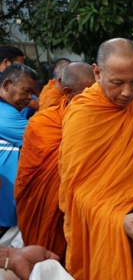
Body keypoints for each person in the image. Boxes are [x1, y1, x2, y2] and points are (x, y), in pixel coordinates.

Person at [58, 39, 133, 279]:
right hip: (106, 226)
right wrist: (117, 220)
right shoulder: (82, 115)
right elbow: (76, 190)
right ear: (97, 73)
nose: (127, 92)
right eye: (117, 83)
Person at [15, 62, 95, 261]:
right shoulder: (41, 123)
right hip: (45, 208)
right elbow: (28, 177)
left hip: (85, 209)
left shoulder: (101, 120)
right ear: (67, 92)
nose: (94, 99)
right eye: (86, 94)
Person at [0, 64, 38, 233]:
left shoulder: (10, 111)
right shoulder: (4, 114)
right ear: (7, 85)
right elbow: (44, 137)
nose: (30, 98)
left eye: (32, 93)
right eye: (26, 91)